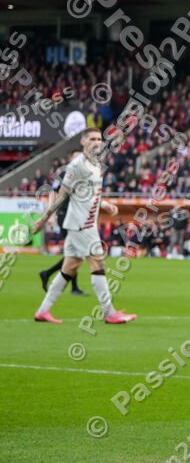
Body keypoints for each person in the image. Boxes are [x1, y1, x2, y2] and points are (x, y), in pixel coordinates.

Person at [30, 128, 136, 324]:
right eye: (92, 138)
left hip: (83, 223)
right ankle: (110, 313)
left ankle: (42, 311)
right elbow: (62, 195)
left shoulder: (95, 164)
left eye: (99, 138)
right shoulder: (76, 166)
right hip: (82, 225)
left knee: (70, 267)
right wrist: (43, 219)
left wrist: (105, 204)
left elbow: (87, 193)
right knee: (98, 263)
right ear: (83, 142)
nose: (97, 141)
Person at [38, 155, 88, 297]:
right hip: (66, 216)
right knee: (76, 252)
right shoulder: (68, 173)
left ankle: (51, 276)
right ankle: (50, 275)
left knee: (74, 252)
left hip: (73, 216)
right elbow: (54, 193)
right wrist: (51, 215)